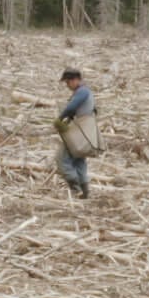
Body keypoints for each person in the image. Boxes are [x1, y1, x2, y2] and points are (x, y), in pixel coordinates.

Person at [55, 67, 95, 199]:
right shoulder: (87, 91)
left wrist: (60, 119)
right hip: (86, 130)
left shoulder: (82, 91)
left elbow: (71, 107)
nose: (67, 85)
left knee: (62, 158)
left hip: (80, 129)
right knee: (79, 160)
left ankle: (76, 189)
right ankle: (85, 191)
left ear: (75, 80)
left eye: (68, 82)